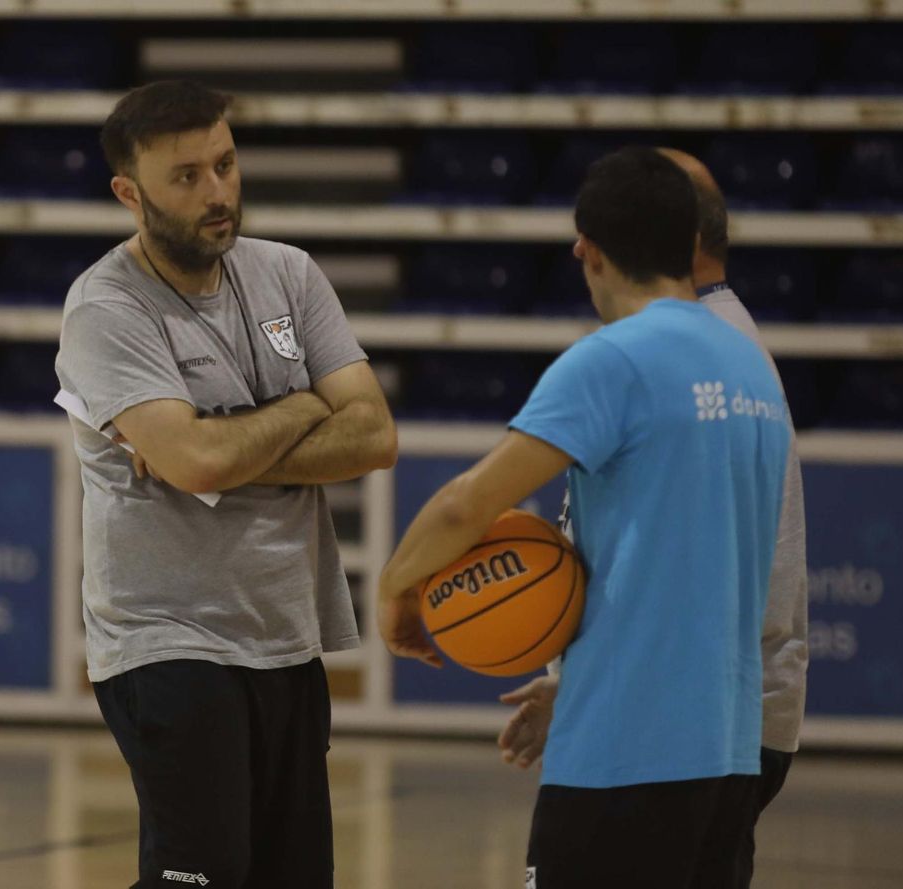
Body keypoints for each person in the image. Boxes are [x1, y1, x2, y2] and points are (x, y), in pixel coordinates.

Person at [377, 146, 791, 889]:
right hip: (726, 751)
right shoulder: (750, 365)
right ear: (688, 241)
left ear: (587, 250)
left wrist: (396, 588)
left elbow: (467, 504)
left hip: (624, 753)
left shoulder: (614, 361)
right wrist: (574, 682)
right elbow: (694, 571)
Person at [54, 80, 397, 889]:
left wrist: (215, 441)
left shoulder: (289, 274)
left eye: (225, 165)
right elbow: (198, 463)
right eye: (187, 176)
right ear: (128, 193)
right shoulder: (106, 307)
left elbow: (375, 435)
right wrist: (307, 405)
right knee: (204, 874)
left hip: (284, 633)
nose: (217, 192)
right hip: (167, 640)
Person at [495, 147, 809, 889]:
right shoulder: (727, 347)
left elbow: (708, 580)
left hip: (679, 724)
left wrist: (399, 585)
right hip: (716, 715)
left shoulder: (676, 354)